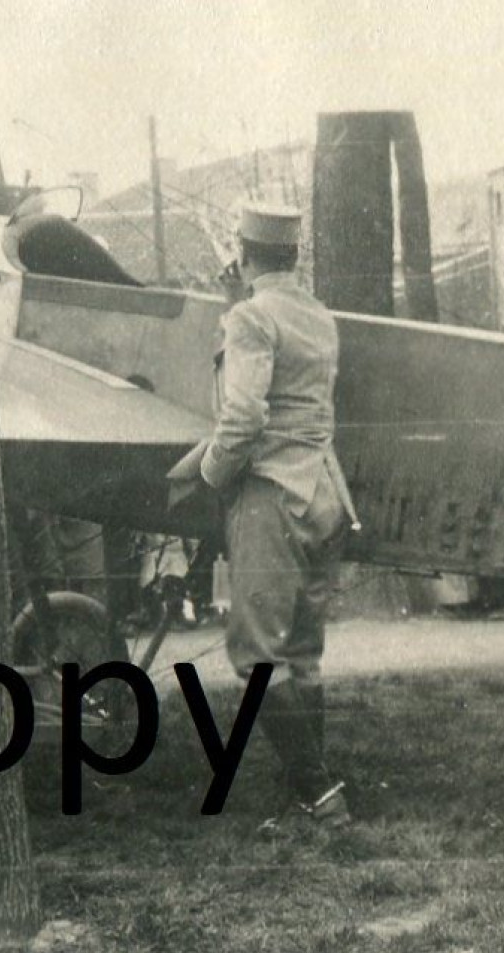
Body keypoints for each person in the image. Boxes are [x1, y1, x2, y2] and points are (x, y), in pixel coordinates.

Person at [169, 202, 358, 829]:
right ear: (294, 254)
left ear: (243, 253)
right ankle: (307, 794)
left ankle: (322, 799)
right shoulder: (318, 316)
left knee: (256, 657)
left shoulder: (249, 318)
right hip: (323, 495)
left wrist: (208, 476)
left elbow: (243, 417)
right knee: (302, 653)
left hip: (271, 498)